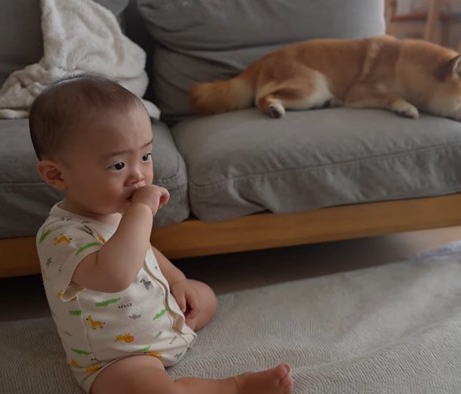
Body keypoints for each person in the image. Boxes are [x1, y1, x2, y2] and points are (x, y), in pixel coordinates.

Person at [29, 74, 294, 394]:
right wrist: (141, 211)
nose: (138, 175)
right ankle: (234, 387)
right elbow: (114, 275)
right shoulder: (60, 236)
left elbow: (147, 252)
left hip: (163, 321)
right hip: (118, 358)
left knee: (204, 295)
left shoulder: (114, 212)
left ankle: (178, 320)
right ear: (57, 175)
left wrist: (179, 281)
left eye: (144, 156)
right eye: (117, 166)